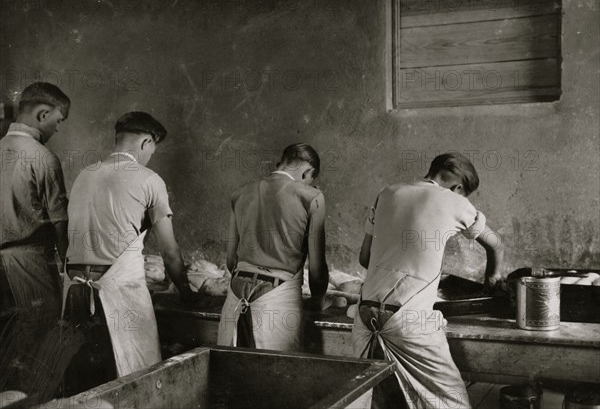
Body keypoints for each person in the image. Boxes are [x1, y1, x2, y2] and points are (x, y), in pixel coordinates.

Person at [353, 152, 505, 409]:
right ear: (458, 187)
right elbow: (496, 245)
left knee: (380, 401)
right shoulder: (454, 202)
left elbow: (365, 258)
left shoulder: (387, 193)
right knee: (452, 402)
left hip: (365, 316)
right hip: (408, 320)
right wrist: (492, 279)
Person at [62, 111, 199, 395]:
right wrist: (186, 294)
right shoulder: (150, 180)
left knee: (87, 382)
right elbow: (170, 252)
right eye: (152, 149)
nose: (151, 156)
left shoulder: (84, 175)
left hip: (75, 291)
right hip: (118, 294)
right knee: (137, 380)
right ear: (146, 142)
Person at [217, 143, 329, 351]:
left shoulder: (240, 193)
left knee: (233, 375)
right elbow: (317, 269)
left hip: (235, 294)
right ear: (307, 173)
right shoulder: (312, 197)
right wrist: (317, 300)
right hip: (277, 299)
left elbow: (231, 261)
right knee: (278, 379)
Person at [0, 82, 71, 398]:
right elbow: (60, 223)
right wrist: (68, 265)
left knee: (7, 338)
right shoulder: (43, 157)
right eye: (57, 121)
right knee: (40, 337)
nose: (57, 128)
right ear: (43, 113)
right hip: (30, 260)